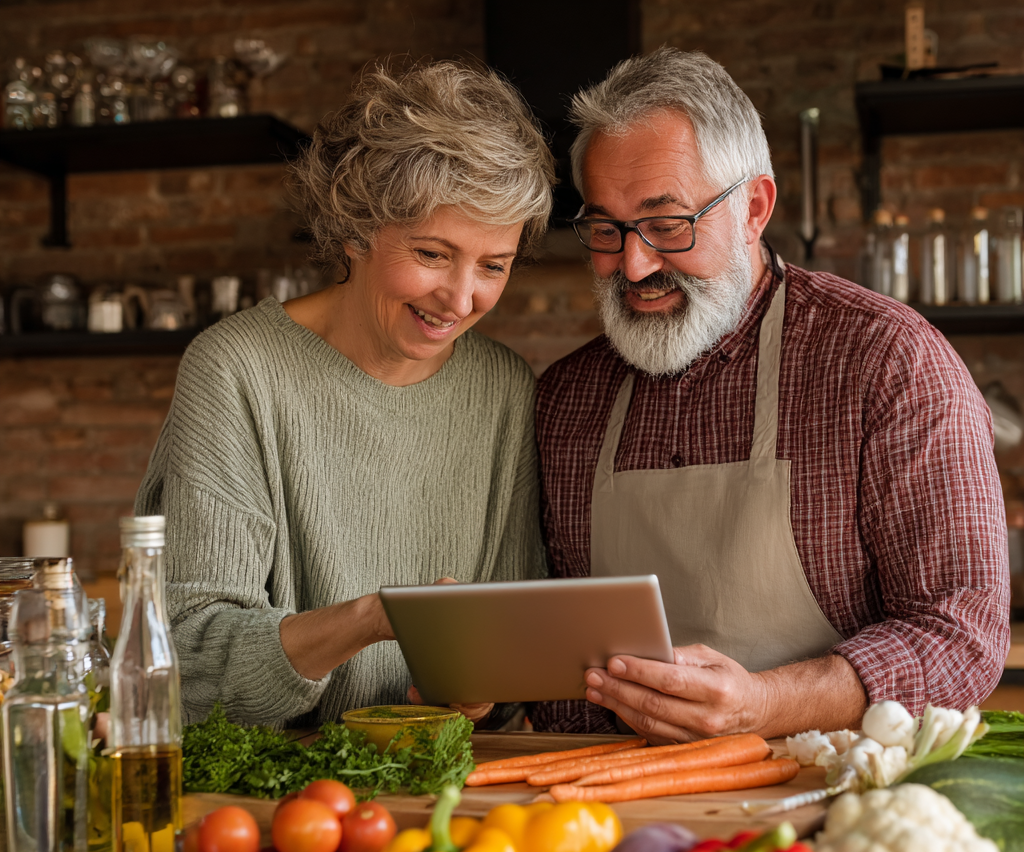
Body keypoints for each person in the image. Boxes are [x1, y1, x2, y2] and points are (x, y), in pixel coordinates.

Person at [530, 48, 1009, 741]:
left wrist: (766, 703)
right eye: (606, 229)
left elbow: (962, 631)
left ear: (753, 207)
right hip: (611, 812)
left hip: (829, 801)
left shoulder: (886, 363)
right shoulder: (567, 399)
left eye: (668, 226)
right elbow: (559, 667)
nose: (634, 265)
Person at [136, 61, 554, 727]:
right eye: (433, 254)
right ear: (358, 228)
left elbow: (507, 664)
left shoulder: (501, 387)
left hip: (441, 790)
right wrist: (371, 619)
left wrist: (483, 690)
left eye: (493, 266)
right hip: (274, 797)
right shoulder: (237, 369)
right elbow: (190, 663)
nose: (461, 298)